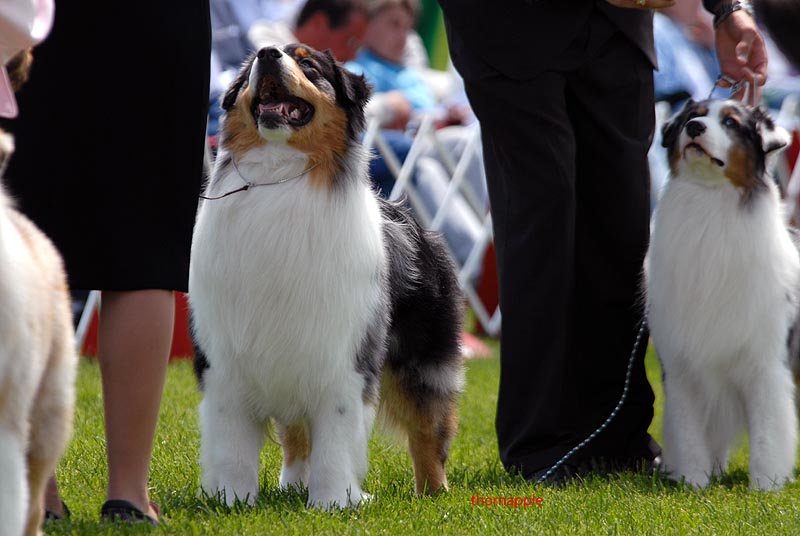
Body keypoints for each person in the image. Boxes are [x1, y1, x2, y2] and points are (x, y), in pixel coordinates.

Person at [437, 0, 769, 482]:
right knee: (542, 221)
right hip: (506, 27)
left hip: (619, 26)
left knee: (623, 225)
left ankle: (620, 437)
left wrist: (728, 9)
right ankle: (539, 444)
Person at [0, 1, 210, 524]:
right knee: (145, 256)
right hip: (156, 25)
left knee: (30, 238)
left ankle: (37, 490)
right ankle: (129, 493)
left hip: (43, 20)